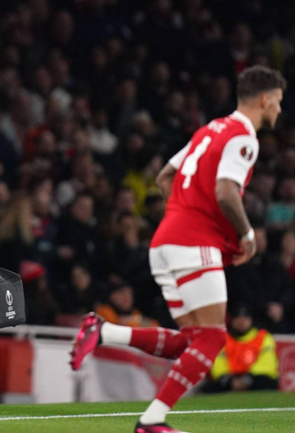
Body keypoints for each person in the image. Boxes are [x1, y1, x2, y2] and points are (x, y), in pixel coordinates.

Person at [70, 65, 286, 433]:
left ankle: (104, 332)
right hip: (192, 243)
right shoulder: (244, 137)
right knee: (215, 337)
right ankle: (152, 419)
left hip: (165, 241)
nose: (280, 110)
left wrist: (185, 214)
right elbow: (225, 191)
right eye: (278, 102)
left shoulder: (209, 130)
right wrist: (247, 235)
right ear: (264, 99)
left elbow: (163, 177)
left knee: (191, 341)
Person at [203, 306, 279, 393]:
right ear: (232, 320)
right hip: (231, 377)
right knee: (210, 386)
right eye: (238, 318)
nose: (241, 322)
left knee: (266, 382)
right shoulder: (223, 339)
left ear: (251, 320)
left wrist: (247, 379)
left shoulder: (263, 337)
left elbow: (267, 363)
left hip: (256, 377)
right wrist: (231, 381)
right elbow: (218, 364)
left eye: (245, 318)